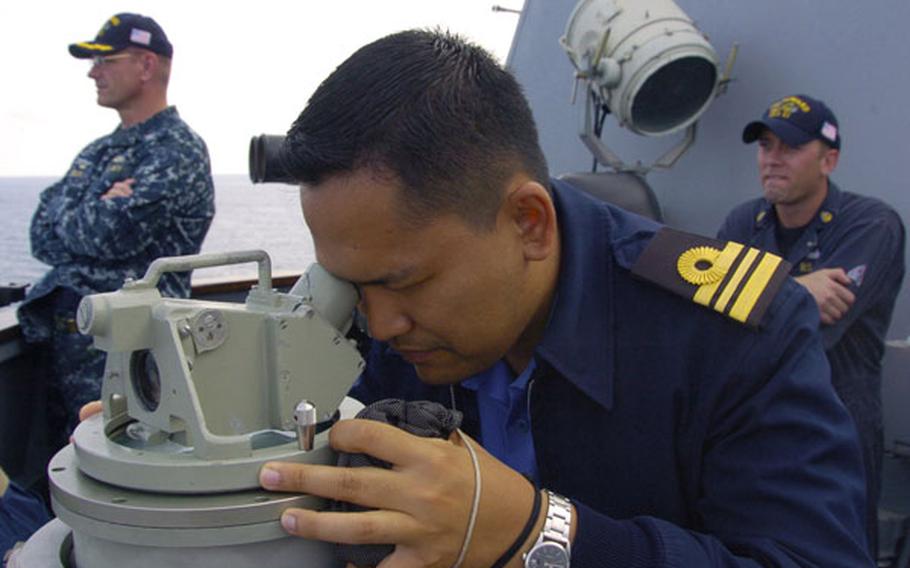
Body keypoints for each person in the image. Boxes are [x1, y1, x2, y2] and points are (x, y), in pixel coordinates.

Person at [257, 30, 871, 566]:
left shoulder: (733, 337)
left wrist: (537, 536)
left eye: (405, 283)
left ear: (530, 223)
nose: (382, 325)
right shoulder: (375, 321)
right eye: (353, 287)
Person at [717, 94, 906, 556]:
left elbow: (811, 331)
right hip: (748, 424)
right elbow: (705, 315)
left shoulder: (871, 223)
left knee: (833, 553)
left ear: (830, 160)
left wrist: (746, 294)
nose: (772, 160)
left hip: (831, 431)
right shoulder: (744, 222)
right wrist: (798, 290)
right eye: (765, 146)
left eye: (790, 148)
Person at [16, 13, 215, 451]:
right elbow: (40, 234)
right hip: (67, 342)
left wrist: (86, 210)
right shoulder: (98, 151)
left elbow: (112, 236)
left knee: (119, 466)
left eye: (105, 59)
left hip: (132, 357)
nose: (93, 71)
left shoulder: (176, 149)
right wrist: (97, 205)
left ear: (145, 66)